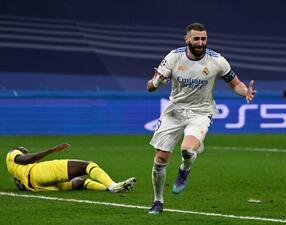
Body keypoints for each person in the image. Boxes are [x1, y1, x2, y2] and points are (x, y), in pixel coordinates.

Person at [146, 22, 256, 214]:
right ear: (187, 39)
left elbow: (235, 84)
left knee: (187, 150)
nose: (200, 42)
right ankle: (158, 201)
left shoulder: (217, 61)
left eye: (203, 38)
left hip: (201, 112)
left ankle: (184, 170)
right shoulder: (174, 57)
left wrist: (245, 92)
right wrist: (156, 81)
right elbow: (150, 86)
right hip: (174, 111)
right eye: (196, 38)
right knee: (160, 158)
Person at [6, 143, 136, 192]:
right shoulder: (12, 154)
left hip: (37, 186)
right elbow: (27, 159)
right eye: (23, 150)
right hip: (36, 173)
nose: (25, 151)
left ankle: (109, 188)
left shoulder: (15, 172)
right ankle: (112, 185)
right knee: (87, 165)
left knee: (80, 182)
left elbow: (27, 160)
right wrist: (51, 150)